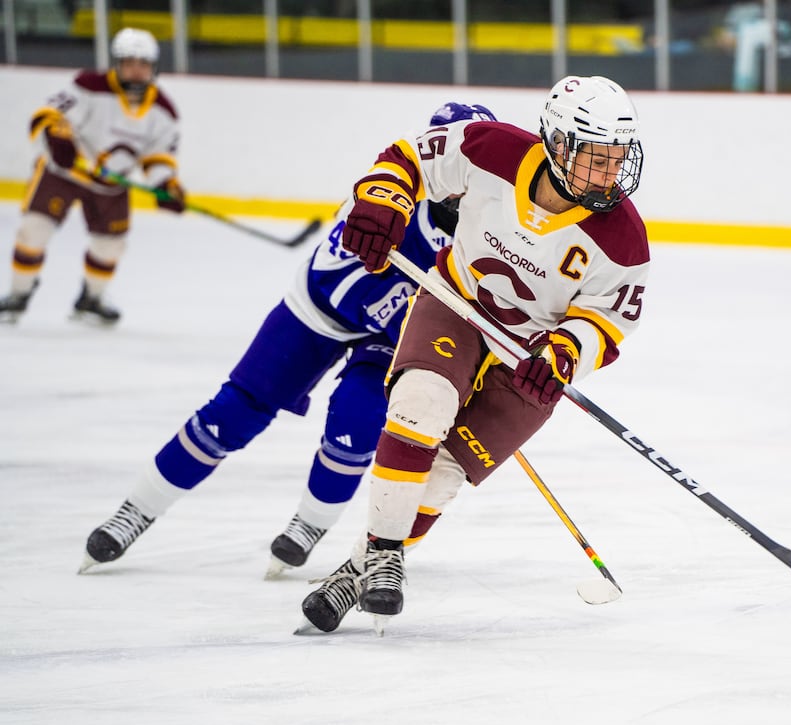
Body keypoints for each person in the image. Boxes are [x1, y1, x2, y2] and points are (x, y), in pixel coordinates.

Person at [79, 102, 499, 578]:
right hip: (319, 308)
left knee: (357, 424)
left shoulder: (486, 224)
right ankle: (136, 510)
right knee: (232, 413)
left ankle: (309, 525)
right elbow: (342, 277)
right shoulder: (391, 189)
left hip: (393, 334)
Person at [298, 75, 650, 635]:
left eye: (617, 159)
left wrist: (564, 353)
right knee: (421, 403)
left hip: (530, 360)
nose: (612, 174)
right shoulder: (492, 150)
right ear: (559, 146)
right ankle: (387, 555)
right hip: (457, 304)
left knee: (442, 474)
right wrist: (383, 199)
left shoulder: (624, 239)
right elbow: (411, 156)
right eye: (597, 159)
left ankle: (358, 570)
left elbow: (609, 320)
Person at [0, 28, 184, 326]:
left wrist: (166, 185)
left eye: (143, 64)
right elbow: (49, 114)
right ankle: (19, 293)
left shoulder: (163, 111)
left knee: (110, 244)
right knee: (34, 230)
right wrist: (58, 139)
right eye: (130, 63)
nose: (137, 71)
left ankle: (92, 298)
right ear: (118, 63)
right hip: (64, 172)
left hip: (112, 185)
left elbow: (159, 156)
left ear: (153, 67)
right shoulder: (89, 85)